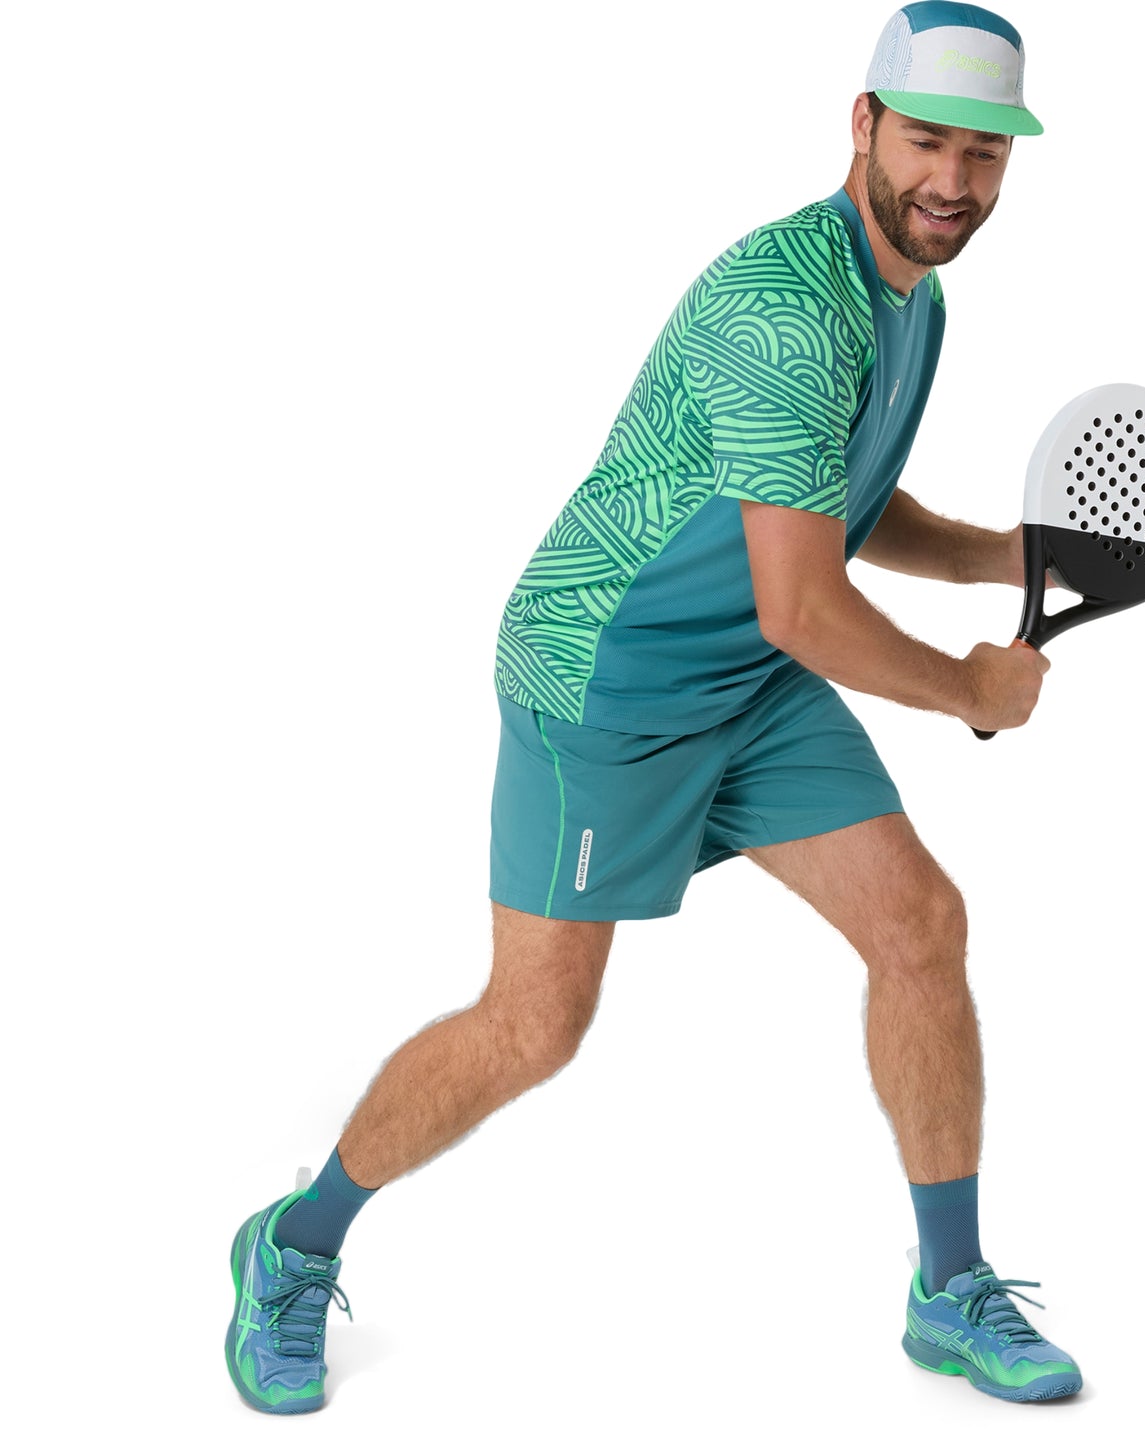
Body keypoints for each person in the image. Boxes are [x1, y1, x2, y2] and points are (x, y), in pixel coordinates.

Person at [226, 3, 1082, 1413]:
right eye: (928, 141)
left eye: (984, 155)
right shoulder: (782, 312)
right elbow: (803, 602)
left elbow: (835, 507)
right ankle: (292, 1246)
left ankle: (948, 1287)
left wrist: (1000, 553)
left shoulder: (911, 293)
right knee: (535, 1026)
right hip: (607, 679)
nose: (955, 184)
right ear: (860, 125)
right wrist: (967, 688)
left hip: (743, 677)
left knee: (919, 926)